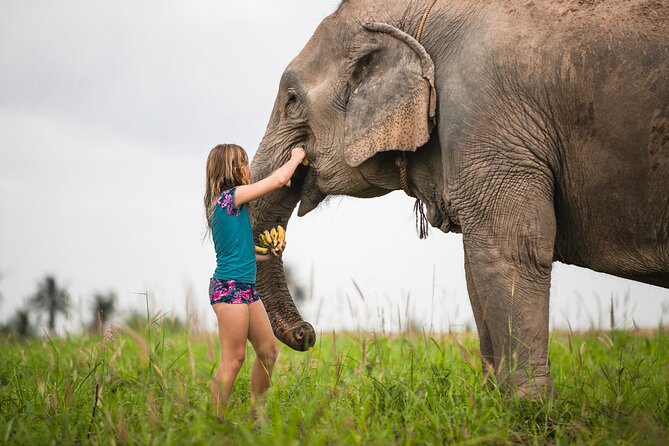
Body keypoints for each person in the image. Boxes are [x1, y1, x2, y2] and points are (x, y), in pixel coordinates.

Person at [203, 143, 306, 418]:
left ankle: (255, 414)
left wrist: (270, 255)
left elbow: (243, 255)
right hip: (230, 291)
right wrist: (296, 156)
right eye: (244, 162)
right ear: (232, 170)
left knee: (269, 351)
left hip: (247, 290)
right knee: (234, 359)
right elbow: (278, 180)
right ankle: (215, 420)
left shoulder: (233, 207)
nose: (248, 168)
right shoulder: (230, 198)